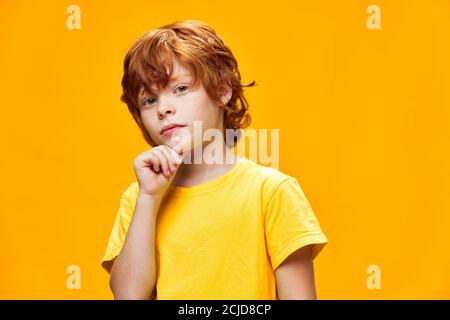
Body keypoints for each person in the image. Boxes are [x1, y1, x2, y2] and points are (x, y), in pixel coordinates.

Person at [101, 19, 328, 300]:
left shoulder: (271, 192)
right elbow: (129, 297)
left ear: (222, 90)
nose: (164, 108)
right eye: (149, 100)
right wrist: (148, 198)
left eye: (180, 89)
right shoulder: (138, 199)